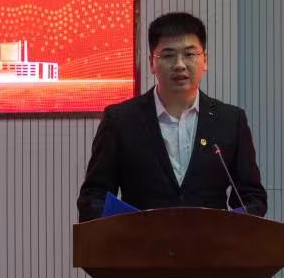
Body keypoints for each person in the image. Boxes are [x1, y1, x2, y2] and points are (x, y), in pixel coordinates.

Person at [77, 12, 267, 221]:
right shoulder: (120, 121)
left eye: (189, 54)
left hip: (211, 241)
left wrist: (228, 226)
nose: (180, 64)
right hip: (140, 241)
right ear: (152, 63)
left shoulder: (230, 121)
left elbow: (253, 198)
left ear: (205, 60)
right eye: (168, 55)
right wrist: (127, 229)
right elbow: (93, 197)